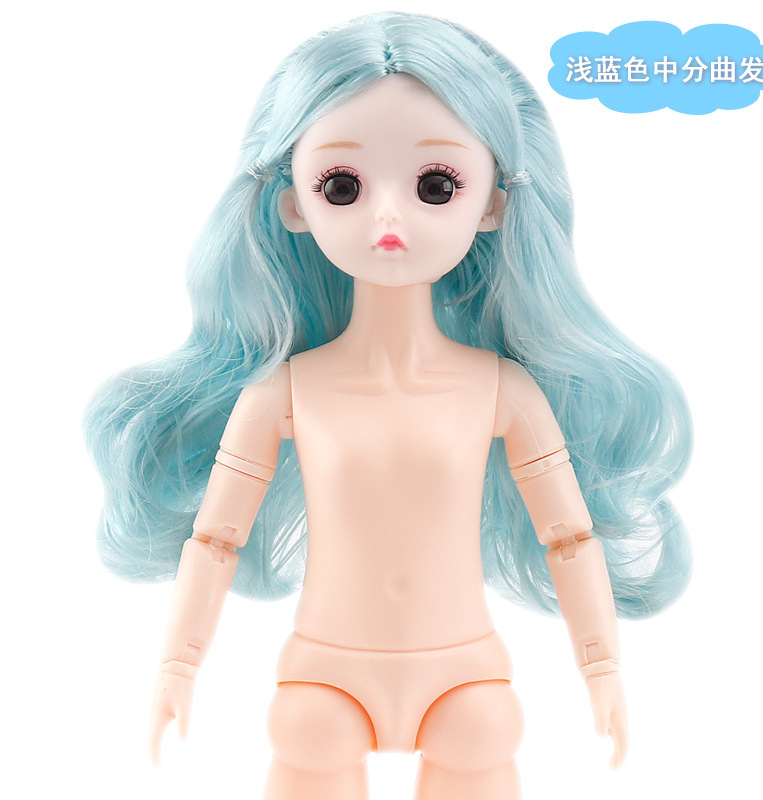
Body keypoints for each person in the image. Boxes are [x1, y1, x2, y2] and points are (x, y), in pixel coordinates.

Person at [85, 12, 691, 799]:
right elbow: (214, 540)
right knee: (311, 744)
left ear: (493, 203)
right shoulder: (285, 391)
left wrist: (602, 669)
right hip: (323, 679)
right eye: (342, 186)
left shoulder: (502, 390)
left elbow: (570, 539)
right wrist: (177, 666)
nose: (389, 218)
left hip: (466, 679)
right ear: (294, 205)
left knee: (480, 739)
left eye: (437, 186)